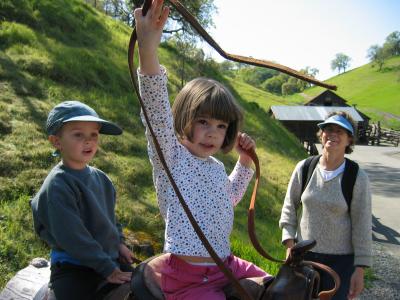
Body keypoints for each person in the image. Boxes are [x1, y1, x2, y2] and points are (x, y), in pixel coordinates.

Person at [134, 1, 271, 299]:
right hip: (189, 277)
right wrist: (148, 48)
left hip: (227, 264)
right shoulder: (169, 155)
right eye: (204, 121)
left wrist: (245, 161)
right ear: (184, 119)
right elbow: (156, 108)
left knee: (278, 287)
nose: (212, 132)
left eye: (222, 126)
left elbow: (229, 197)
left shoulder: (215, 166)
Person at [31, 100, 134, 300]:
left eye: (93, 134)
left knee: (147, 286)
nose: (88, 141)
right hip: (74, 265)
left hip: (108, 259)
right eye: (78, 134)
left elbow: (110, 219)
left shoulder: (101, 179)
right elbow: (73, 237)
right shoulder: (58, 185)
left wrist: (119, 243)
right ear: (56, 141)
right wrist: (108, 269)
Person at [279, 111, 372, 300]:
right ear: (321, 135)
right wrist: (289, 244)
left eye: (341, 131)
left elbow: (362, 224)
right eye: (329, 129)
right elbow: (289, 208)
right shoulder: (304, 168)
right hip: (303, 259)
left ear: (349, 140)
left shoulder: (357, 177)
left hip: (340, 265)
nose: (333, 134)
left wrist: (360, 269)